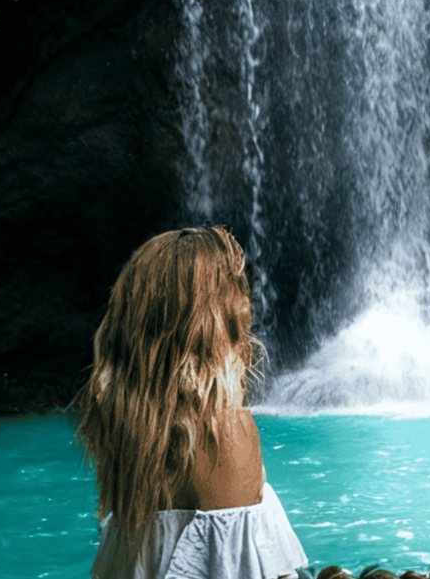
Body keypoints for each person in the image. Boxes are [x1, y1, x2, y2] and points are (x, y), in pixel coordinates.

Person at [76, 226, 310, 579]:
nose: (247, 306)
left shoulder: (125, 432)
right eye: (236, 289)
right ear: (208, 320)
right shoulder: (225, 433)